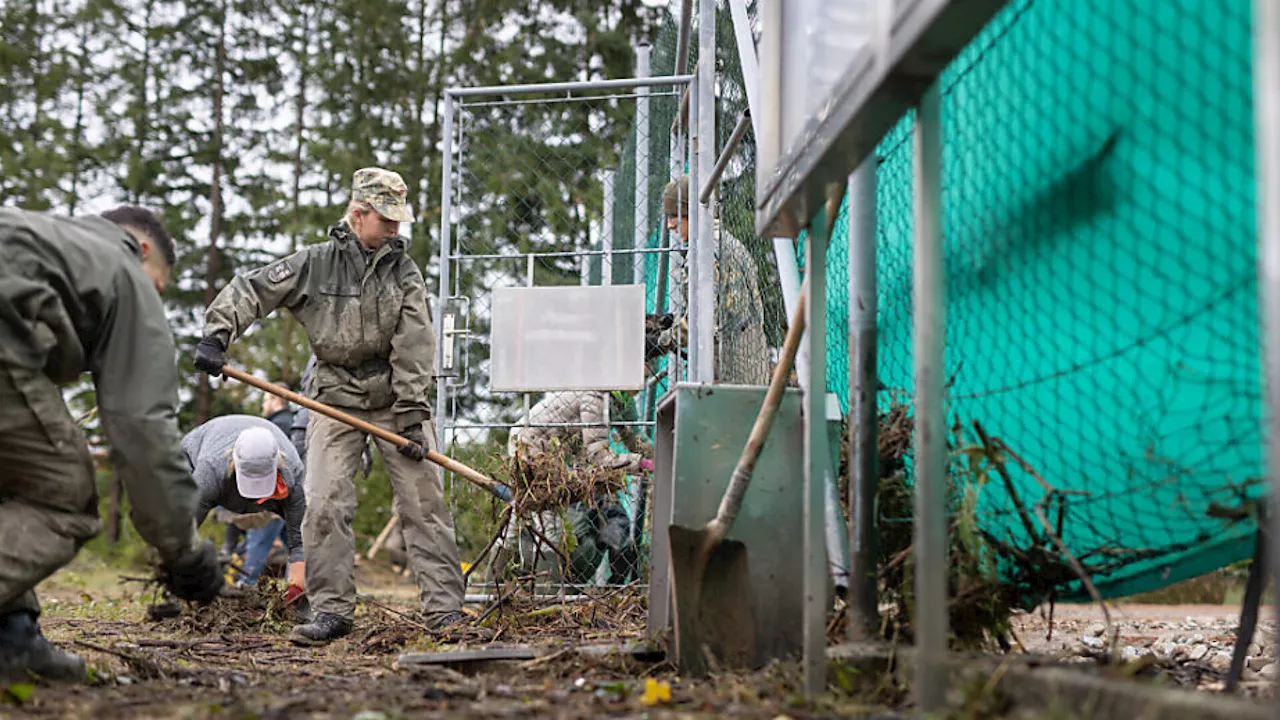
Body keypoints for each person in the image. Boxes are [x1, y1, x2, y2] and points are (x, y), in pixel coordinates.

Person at [194, 167, 465, 645]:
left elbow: (416, 346)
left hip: (393, 400)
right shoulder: (315, 264)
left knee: (423, 502)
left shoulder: (404, 272)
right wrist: (219, 333)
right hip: (332, 397)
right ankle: (332, 609)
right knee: (322, 501)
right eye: (387, 220)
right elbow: (253, 290)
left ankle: (444, 610)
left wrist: (413, 417)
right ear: (359, 215)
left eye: (399, 221)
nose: (395, 230)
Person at [0, 206, 222, 682]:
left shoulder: (45, 237)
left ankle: (12, 639)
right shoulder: (124, 271)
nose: (155, 298)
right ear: (142, 249)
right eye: (158, 286)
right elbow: (143, 430)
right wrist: (183, 550)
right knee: (62, 497)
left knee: (15, 482)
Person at [183, 416, 307, 609]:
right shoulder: (209, 471)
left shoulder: (294, 476)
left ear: (278, 464)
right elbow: (183, 530)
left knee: (309, 535)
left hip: (271, 485)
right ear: (235, 460)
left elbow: (300, 542)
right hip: (198, 450)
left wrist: (297, 586)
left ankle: (305, 599)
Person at [662, 175, 771, 385]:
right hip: (751, 359)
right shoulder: (730, 243)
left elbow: (702, 319)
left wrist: (665, 339)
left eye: (673, 215)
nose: (669, 225)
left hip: (728, 368)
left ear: (689, 212)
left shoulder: (704, 250)